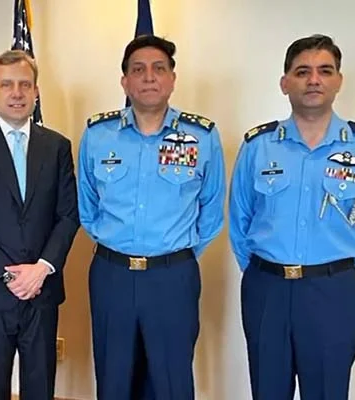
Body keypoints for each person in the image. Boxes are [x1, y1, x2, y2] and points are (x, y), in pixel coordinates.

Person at [229, 34, 355, 400]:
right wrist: (264, 272)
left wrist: (333, 266)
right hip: (267, 288)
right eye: (302, 72)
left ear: (339, 81)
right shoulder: (258, 145)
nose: (314, 79)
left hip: (331, 291)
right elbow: (240, 218)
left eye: (324, 71)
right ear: (285, 83)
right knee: (269, 391)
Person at [77, 34, 226, 399]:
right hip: (112, 274)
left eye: (159, 69)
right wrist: (116, 245)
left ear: (172, 79)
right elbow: (87, 207)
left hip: (172, 277)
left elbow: (211, 209)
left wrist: (175, 254)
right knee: (113, 379)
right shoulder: (98, 135)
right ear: (124, 81)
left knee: (171, 380)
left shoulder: (202, 136)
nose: (148, 77)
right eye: (138, 69)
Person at [0, 49, 79, 400]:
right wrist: (10, 276)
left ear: (36, 90)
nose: (17, 93)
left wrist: (41, 269)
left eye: (25, 84)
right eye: (6, 85)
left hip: (42, 289)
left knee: (41, 386)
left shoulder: (57, 146)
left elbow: (69, 214)